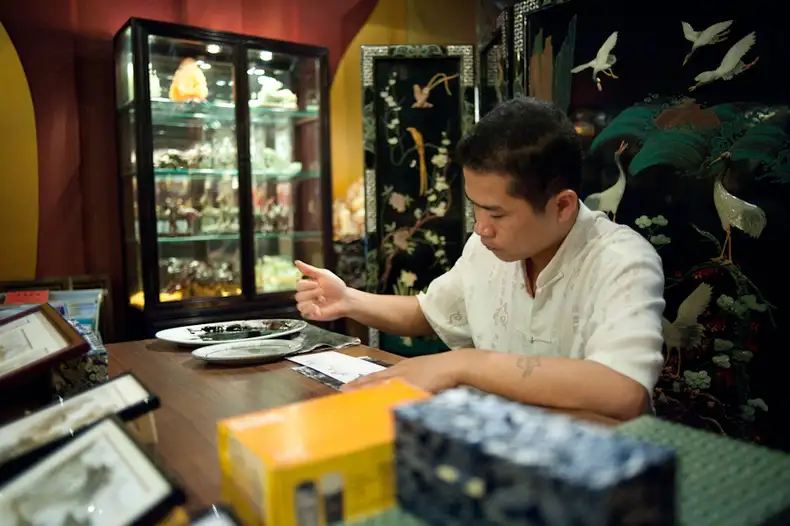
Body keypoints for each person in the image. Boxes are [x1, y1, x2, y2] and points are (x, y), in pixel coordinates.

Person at [295, 97, 665, 420]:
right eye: (476, 208)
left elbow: (624, 391)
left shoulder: (621, 261)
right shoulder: (486, 247)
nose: (481, 227)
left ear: (562, 206)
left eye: (497, 213)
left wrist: (465, 363)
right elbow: (431, 311)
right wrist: (348, 300)